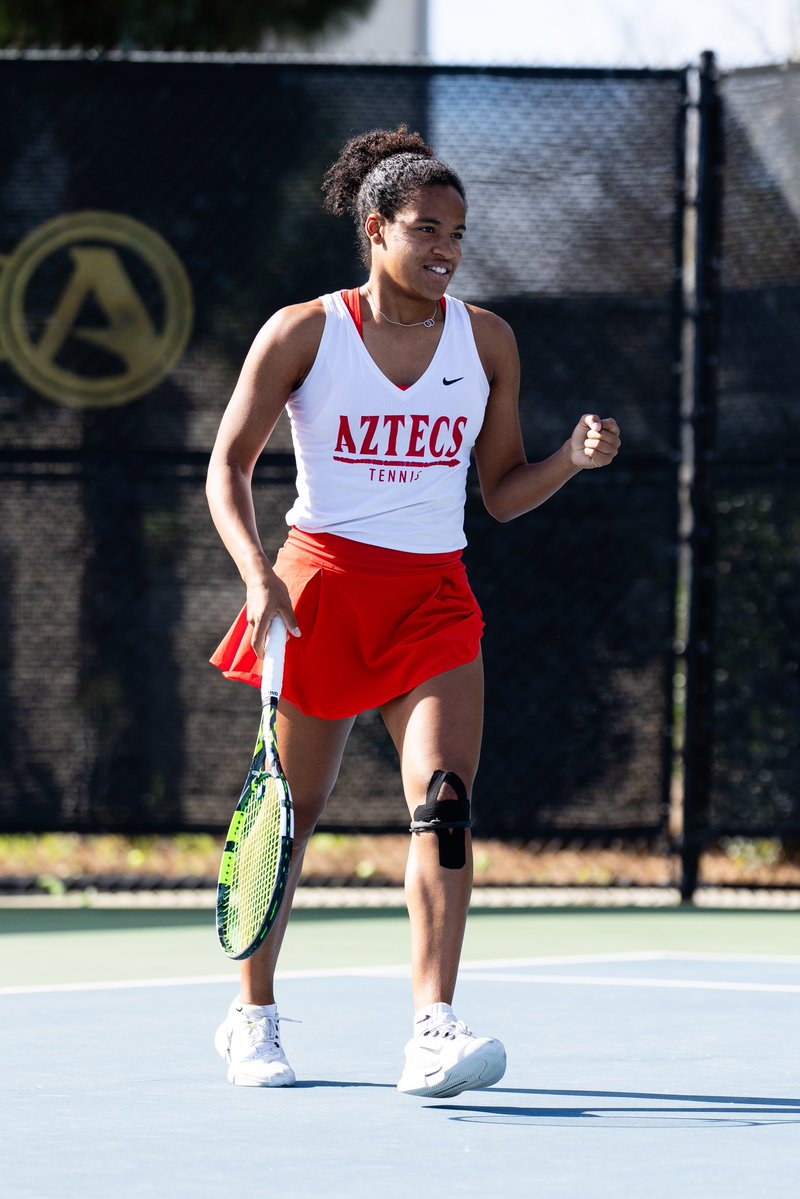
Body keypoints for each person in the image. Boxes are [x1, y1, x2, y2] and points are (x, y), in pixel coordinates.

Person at [206, 126, 621, 1096]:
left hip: (433, 596)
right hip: (319, 592)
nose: (445, 249)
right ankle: (251, 1016)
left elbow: (502, 491)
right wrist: (255, 571)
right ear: (374, 227)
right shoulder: (303, 331)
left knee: (443, 802)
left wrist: (569, 458)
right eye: (426, 229)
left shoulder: (485, 342)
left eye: (458, 233)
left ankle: (431, 1026)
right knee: (290, 814)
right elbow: (227, 464)